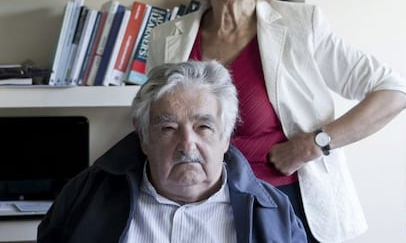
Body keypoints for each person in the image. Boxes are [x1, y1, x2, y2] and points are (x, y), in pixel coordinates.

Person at [146, 0, 406, 243]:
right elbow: (156, 126)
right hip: (197, 208)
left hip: (287, 207)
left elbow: (394, 91)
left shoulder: (303, 26)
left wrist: (313, 144)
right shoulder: (166, 37)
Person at [37, 60, 307, 243]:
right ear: (143, 136)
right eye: (168, 128)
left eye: (203, 126)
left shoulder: (273, 213)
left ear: (225, 138)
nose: (187, 143)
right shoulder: (85, 196)